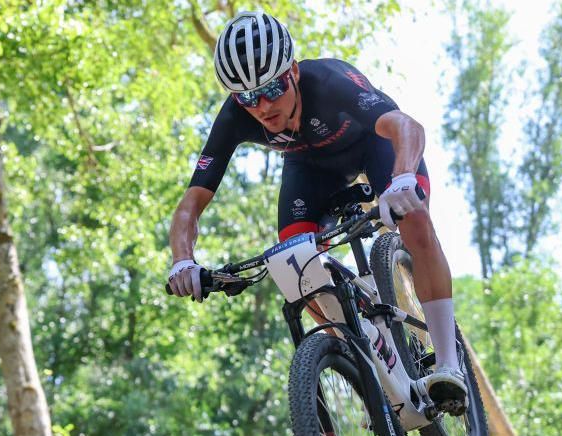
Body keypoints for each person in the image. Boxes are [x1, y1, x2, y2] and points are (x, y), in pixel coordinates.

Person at [167, 11, 466, 404]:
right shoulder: (236, 116)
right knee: (295, 264)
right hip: (310, 167)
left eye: (272, 89)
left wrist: (403, 178)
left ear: (292, 71)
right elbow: (191, 204)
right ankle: (368, 365)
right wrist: (182, 260)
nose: (263, 107)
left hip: (376, 147)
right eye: (249, 98)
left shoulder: (328, 82)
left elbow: (406, 127)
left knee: (414, 220)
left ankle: (448, 363)